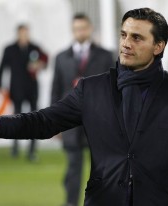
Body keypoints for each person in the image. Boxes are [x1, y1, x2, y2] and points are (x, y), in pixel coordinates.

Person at [0, 8, 168, 206]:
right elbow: (46, 121)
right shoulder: (92, 89)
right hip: (103, 200)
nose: (126, 43)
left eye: (136, 38)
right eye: (123, 35)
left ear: (159, 46)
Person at [52, 13, 114, 206]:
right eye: (76, 28)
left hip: (99, 123)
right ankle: (70, 203)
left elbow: (114, 89)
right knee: (73, 169)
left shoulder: (105, 56)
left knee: (102, 169)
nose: (80, 32)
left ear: (90, 28)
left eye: (83, 28)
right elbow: (56, 91)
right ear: (73, 30)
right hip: (71, 123)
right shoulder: (61, 58)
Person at [0, 24, 48, 161]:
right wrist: (0, 87)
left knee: (33, 119)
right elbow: (1, 68)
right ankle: (15, 147)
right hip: (16, 89)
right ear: (18, 34)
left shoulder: (35, 48)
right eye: (22, 33)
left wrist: (40, 65)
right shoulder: (10, 49)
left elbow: (46, 59)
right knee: (16, 118)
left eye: (27, 33)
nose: (25, 36)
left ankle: (32, 150)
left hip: (32, 89)